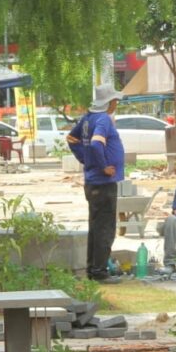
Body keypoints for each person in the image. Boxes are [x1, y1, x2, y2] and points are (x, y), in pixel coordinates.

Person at [66, 84, 126, 283]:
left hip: (93, 182)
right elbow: (96, 143)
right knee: (105, 228)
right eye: (115, 100)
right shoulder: (103, 120)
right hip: (103, 182)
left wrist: (86, 159)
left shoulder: (87, 118)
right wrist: (102, 166)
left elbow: (71, 138)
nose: (116, 103)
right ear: (108, 102)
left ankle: (93, 268)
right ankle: (100, 271)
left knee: (95, 226)